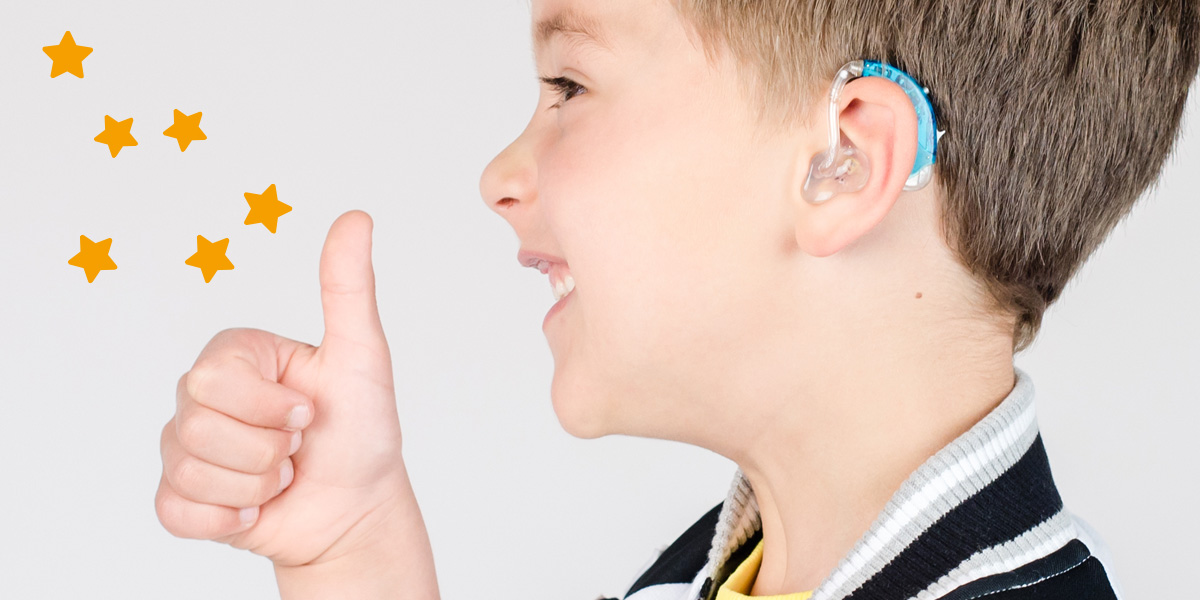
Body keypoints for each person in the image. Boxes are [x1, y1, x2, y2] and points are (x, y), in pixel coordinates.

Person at [154, 1, 1199, 599]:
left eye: (568, 87)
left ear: (842, 160)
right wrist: (353, 547)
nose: (500, 174)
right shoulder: (710, 575)